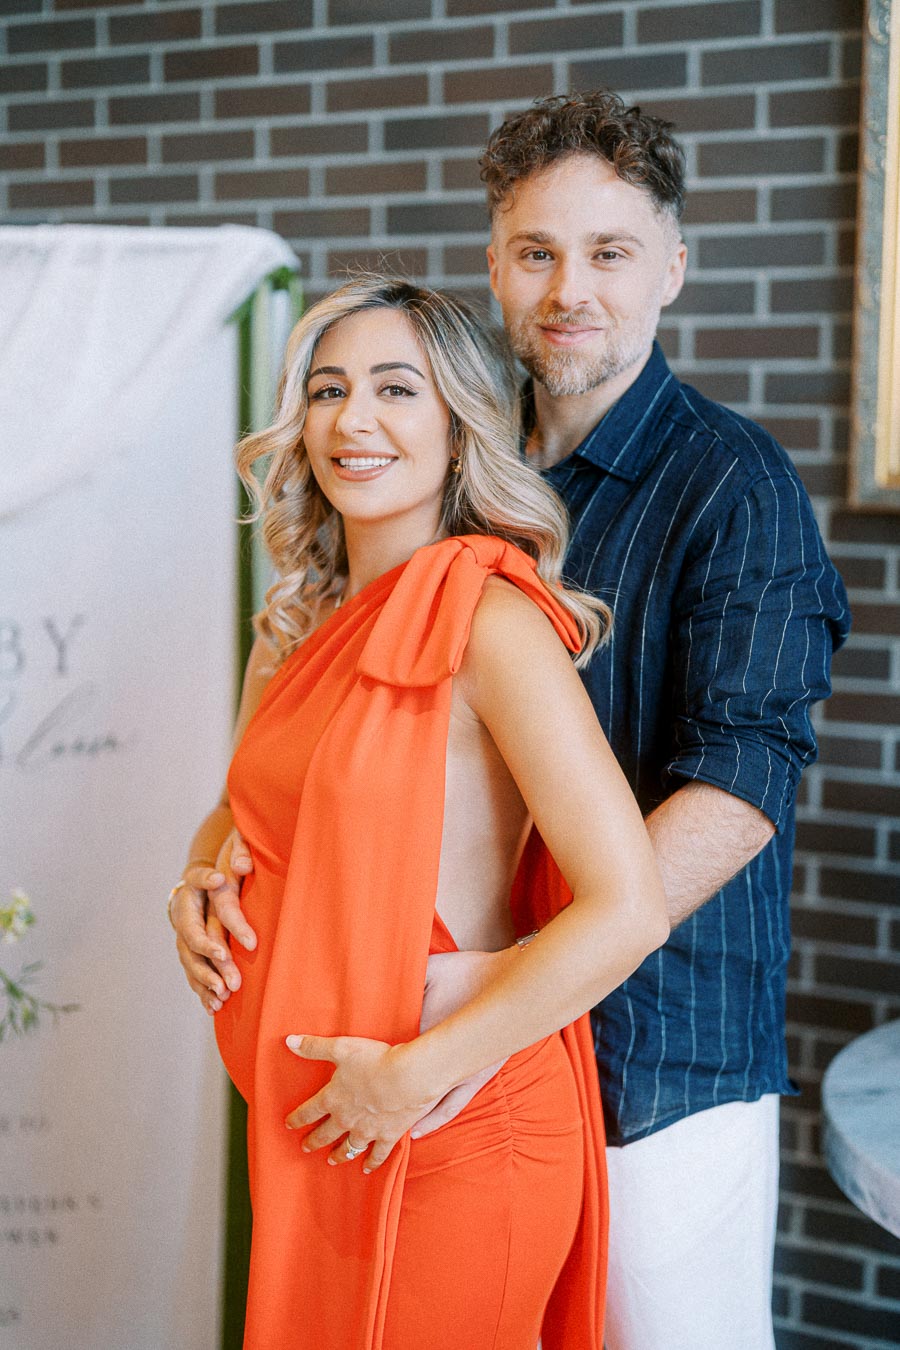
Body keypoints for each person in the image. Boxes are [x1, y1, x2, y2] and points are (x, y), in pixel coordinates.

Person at [173, 92, 850, 1349]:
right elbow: (350, 742)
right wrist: (218, 851)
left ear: (673, 269)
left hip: (658, 1065)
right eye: (537, 251)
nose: (569, 288)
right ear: (496, 264)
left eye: (609, 252)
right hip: (415, 1068)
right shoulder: (459, 476)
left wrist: (520, 978)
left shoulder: (730, 481)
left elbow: (747, 772)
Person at [171, 274, 669, 1350]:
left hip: (453, 1111)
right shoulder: (295, 623)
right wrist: (197, 883)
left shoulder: (491, 624)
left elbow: (627, 906)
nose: (354, 420)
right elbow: (239, 810)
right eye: (330, 389)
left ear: (459, 427)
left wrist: (412, 1079)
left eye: (397, 390)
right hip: (323, 1121)